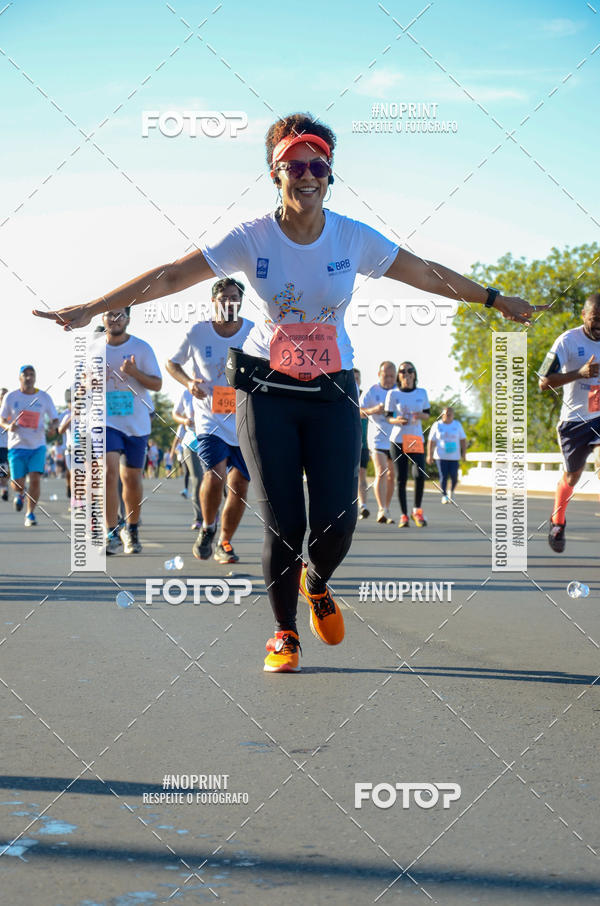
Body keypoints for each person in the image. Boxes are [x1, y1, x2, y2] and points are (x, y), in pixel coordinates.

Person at [34, 112, 543, 672]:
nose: (307, 176)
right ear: (274, 174)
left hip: (333, 390)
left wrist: (494, 299)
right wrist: (93, 307)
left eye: (317, 166)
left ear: (331, 174)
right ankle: (284, 634)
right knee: (285, 522)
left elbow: (424, 274)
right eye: (294, 166)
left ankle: (315, 581)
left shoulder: (352, 236)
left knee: (338, 521)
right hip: (265, 390)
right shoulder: (251, 236)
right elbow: (173, 274)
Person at [166, 278, 252, 564]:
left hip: (244, 418)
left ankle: (224, 542)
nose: (229, 302)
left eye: (234, 297)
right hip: (209, 417)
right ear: (214, 302)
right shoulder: (198, 332)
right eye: (223, 298)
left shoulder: (253, 332)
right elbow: (172, 363)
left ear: (241, 301)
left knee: (239, 486)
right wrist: (189, 383)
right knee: (215, 475)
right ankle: (207, 527)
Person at [538, 293, 600, 552]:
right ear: (584, 316)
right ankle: (558, 520)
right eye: (595, 318)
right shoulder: (567, 341)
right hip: (574, 421)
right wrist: (580, 373)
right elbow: (543, 381)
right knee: (572, 477)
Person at [102, 307, 162, 554]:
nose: (114, 319)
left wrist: (135, 373)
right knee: (109, 472)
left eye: (120, 314)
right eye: (109, 314)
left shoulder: (142, 348)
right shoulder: (93, 349)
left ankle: (132, 528)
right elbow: (80, 386)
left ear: (128, 318)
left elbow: (157, 384)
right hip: (106, 421)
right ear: (102, 318)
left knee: (132, 479)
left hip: (136, 422)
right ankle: (111, 532)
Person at [0, 366, 58, 525]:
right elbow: (2, 419)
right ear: (20, 377)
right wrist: (8, 426)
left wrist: (53, 427)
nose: (28, 377)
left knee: (35, 479)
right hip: (17, 446)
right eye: (25, 375)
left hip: (38, 446)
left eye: (31, 374)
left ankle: (30, 514)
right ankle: (20, 493)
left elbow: (55, 419)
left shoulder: (44, 397)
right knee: (17, 483)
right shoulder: (11, 397)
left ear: (35, 377)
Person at [386, 362, 430, 527]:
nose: (406, 373)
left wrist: (419, 415)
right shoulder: (393, 393)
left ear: (414, 374)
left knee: (419, 474)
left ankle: (417, 510)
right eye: (403, 371)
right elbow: (388, 417)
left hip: (415, 438)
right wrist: (397, 420)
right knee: (402, 478)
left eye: (410, 370)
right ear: (399, 375)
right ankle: (404, 515)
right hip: (398, 439)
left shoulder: (421, 392)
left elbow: (427, 414)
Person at [361, 362, 397, 524]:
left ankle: (386, 508)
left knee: (391, 475)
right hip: (377, 438)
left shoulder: (399, 392)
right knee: (381, 472)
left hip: (395, 439)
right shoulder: (372, 391)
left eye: (392, 376)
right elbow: (358, 410)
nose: (388, 379)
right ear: (379, 375)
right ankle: (381, 509)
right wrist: (374, 410)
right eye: (385, 376)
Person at [172, 387, 204, 530]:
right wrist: (184, 420)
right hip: (192, 442)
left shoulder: (217, 386)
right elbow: (175, 413)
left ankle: (212, 513)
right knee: (197, 479)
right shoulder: (186, 393)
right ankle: (199, 518)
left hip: (213, 440)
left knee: (214, 480)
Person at [426, 406, 467, 503]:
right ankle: (444, 495)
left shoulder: (457, 425)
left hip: (454, 456)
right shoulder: (437, 425)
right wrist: (429, 455)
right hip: (441, 455)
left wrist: (464, 453)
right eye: (445, 414)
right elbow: (431, 441)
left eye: (450, 415)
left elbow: (463, 439)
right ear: (442, 415)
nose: (447, 416)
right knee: (443, 476)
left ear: (453, 415)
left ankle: (451, 491)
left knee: (454, 476)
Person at [353, 368, 371, 519]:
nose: (355, 381)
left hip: (363, 444)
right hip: (346, 443)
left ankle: (363, 505)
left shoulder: (365, 397)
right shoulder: (342, 395)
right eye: (353, 378)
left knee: (361, 474)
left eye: (357, 378)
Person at [0, 388, 8, 501]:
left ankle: (4, 489)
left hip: (6, 446)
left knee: (4, 470)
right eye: (2, 396)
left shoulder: (12, 412)